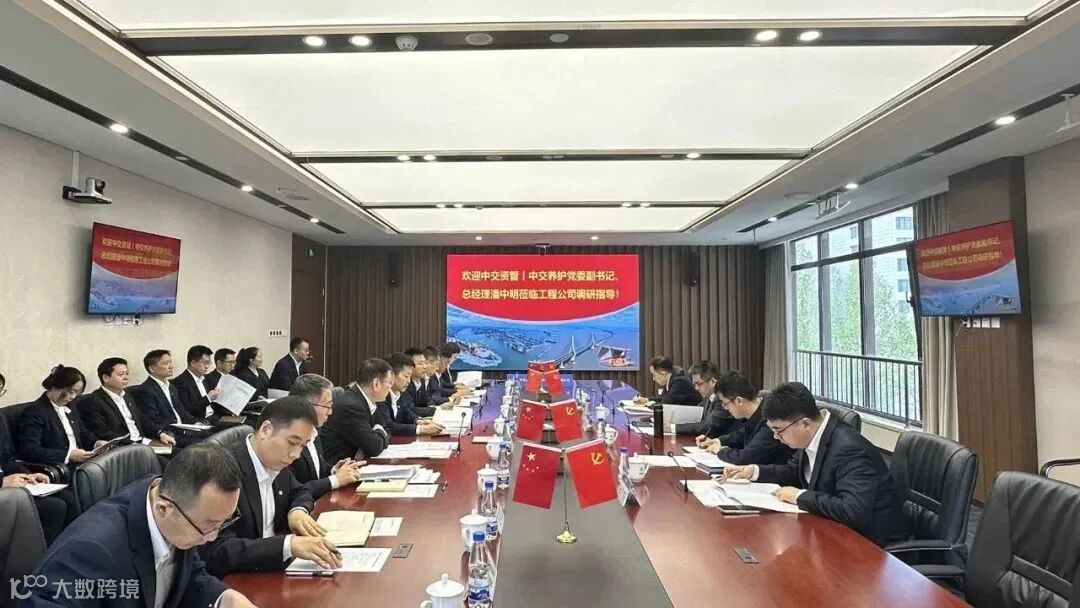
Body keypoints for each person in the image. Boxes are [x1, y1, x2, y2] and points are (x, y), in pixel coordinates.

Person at [22, 442, 258, 608]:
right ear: (164, 508)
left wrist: (226, 598)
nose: (213, 537)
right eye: (209, 526)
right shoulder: (90, 550)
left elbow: (187, 576)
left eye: (223, 522)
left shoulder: (179, 511)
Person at [719, 382, 903, 545]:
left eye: (779, 430)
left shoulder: (849, 449)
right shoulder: (814, 435)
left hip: (868, 544)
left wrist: (800, 496)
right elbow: (792, 470)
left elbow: (852, 510)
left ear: (805, 424)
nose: (776, 437)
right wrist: (753, 471)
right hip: (829, 529)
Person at [201, 397, 340, 577]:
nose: (296, 454)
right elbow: (217, 550)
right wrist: (287, 546)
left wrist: (297, 510)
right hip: (240, 578)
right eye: (292, 442)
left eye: (303, 446)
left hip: (273, 570)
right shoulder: (223, 471)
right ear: (266, 430)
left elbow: (300, 490)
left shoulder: (275, 461)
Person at [0, 371, 67, 545]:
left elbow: (6, 458)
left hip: (9, 487)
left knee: (66, 498)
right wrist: (2, 482)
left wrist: (27, 475)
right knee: (54, 507)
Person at [287, 373, 365, 499]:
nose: (330, 412)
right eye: (327, 406)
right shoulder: (289, 439)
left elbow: (316, 473)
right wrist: (334, 480)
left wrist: (334, 470)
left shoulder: (315, 432)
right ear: (308, 405)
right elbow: (295, 490)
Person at [18, 365, 105, 468]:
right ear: (57, 386)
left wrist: (96, 443)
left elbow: (82, 433)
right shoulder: (35, 411)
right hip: (61, 465)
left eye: (76, 393)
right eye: (71, 392)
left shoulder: (70, 406)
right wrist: (68, 455)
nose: (73, 397)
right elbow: (30, 450)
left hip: (81, 462)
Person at [700, 372, 794, 466]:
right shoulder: (755, 413)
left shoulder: (770, 417)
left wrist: (720, 450)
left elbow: (745, 458)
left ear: (739, 401)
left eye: (725, 403)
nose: (725, 408)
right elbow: (741, 435)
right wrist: (718, 441)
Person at [80, 357, 176, 447]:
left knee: (179, 452)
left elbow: (142, 419)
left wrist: (160, 433)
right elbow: (104, 433)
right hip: (125, 447)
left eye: (127, 373)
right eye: (121, 374)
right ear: (106, 378)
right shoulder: (94, 401)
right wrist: (136, 445)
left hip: (143, 442)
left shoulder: (127, 395)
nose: (126, 377)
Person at [320, 358, 393, 464]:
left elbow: (387, 428)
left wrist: (379, 432)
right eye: (389, 383)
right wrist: (380, 431)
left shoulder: (366, 400)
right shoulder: (352, 406)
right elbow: (374, 447)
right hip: (336, 467)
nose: (390, 388)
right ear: (376, 384)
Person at [134, 350, 200, 447]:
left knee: (215, 436)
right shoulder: (145, 390)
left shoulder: (172, 387)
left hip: (185, 429)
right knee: (205, 445)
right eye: (166, 363)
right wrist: (182, 430)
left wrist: (196, 423)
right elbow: (155, 421)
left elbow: (182, 412)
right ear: (152, 368)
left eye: (170, 362)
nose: (171, 366)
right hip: (170, 434)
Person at [376, 352, 444, 437]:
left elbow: (406, 413)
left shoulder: (398, 393)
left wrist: (419, 421)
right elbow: (388, 426)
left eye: (409, 376)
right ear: (391, 376)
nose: (408, 381)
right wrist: (420, 429)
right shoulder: (381, 395)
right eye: (406, 376)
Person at [668, 361, 737, 438]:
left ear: (713, 381)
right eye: (695, 384)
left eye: (698, 384)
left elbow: (708, 426)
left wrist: (673, 427)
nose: (696, 388)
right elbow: (695, 415)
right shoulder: (707, 397)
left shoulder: (723, 400)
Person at [172, 345, 223, 421]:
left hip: (214, 417)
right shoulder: (181, 382)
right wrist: (208, 398)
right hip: (201, 421)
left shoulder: (205, 379)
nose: (207, 367)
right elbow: (187, 410)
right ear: (193, 363)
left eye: (209, 363)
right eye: (205, 363)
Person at [632, 356, 700, 406]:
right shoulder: (670, 379)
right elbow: (663, 398)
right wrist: (646, 400)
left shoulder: (679, 383)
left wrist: (645, 405)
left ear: (663, 373)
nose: (653, 379)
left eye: (654, 375)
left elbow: (665, 405)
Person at [403, 347, 437, 417]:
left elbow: (427, 399)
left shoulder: (421, 380)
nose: (424, 367)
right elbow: (411, 409)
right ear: (410, 366)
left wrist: (432, 406)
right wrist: (436, 410)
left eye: (425, 363)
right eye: (421, 363)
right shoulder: (405, 384)